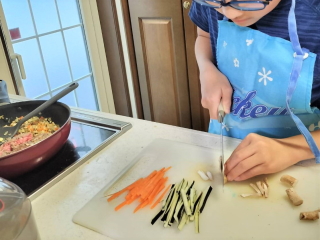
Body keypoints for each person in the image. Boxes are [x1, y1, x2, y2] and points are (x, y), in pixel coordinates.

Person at [188, 0, 320, 182]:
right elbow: (203, 35)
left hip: (305, 165)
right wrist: (207, 68)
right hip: (228, 142)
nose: (230, 13)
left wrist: (291, 149)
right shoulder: (210, 5)